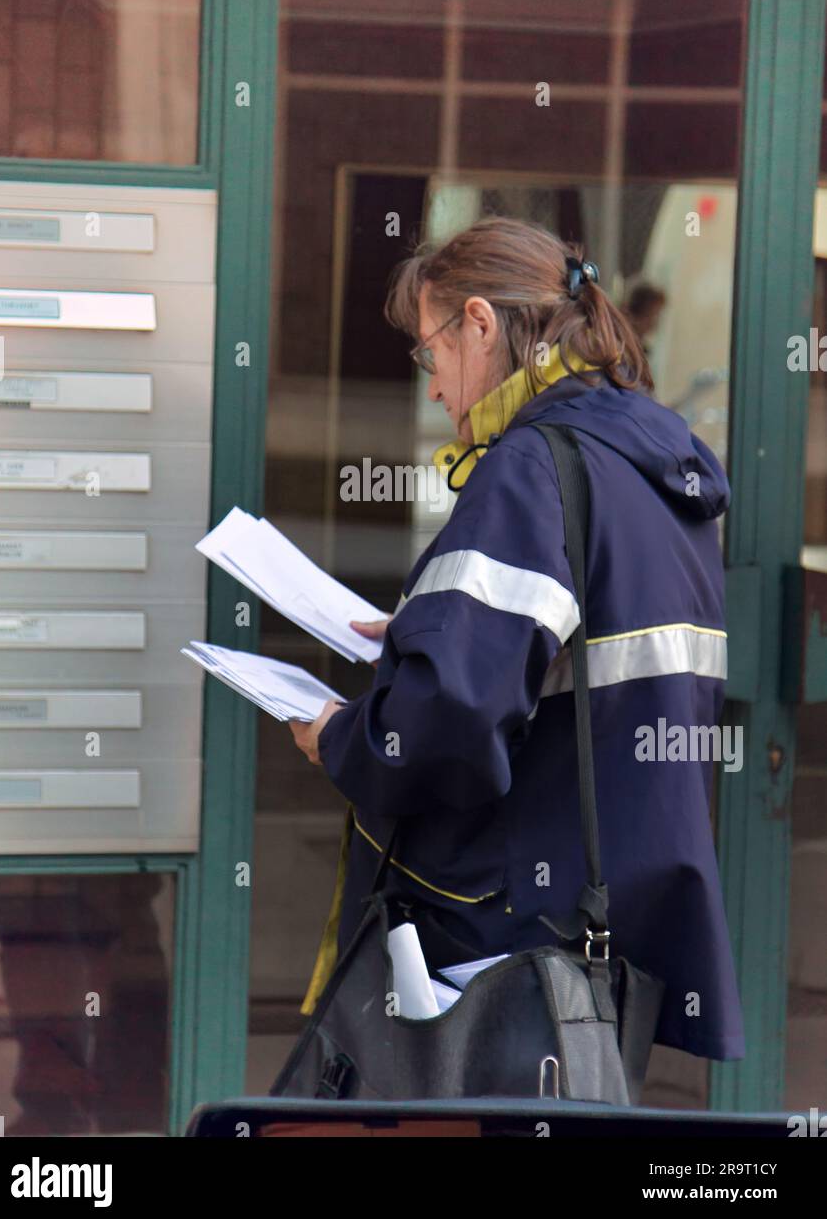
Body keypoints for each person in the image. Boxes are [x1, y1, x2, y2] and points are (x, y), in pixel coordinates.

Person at [288, 216, 745, 1079]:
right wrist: (435, 629)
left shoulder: (530, 465)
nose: (432, 389)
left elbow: (449, 720)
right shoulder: (650, 463)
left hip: (499, 931)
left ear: (481, 324)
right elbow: (584, 649)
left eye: (430, 354)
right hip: (604, 931)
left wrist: (342, 736)